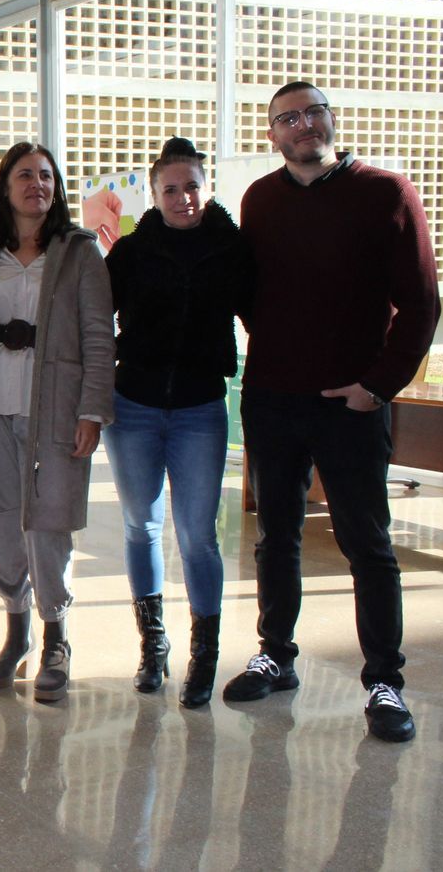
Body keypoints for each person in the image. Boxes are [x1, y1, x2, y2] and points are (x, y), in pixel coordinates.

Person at [223, 82, 440, 742]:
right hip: (273, 401)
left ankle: (383, 683)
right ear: (273, 136)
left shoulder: (386, 193)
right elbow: (251, 295)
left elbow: (421, 304)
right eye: (287, 118)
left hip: (351, 405)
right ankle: (275, 655)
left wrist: (377, 386)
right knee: (275, 538)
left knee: (367, 545)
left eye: (312, 112)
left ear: (331, 120)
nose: (302, 125)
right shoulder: (259, 200)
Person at [0, 141, 115, 703]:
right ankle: (15, 636)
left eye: (46, 175)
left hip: (56, 412)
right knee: (2, 529)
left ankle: (55, 638)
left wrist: (91, 410)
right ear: (4, 186)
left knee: (49, 527)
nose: (37, 183)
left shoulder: (79, 252)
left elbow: (97, 337)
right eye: (25, 175)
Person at [101, 137, 253, 708]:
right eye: (171, 189)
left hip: (199, 410)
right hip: (133, 407)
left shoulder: (231, 248)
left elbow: (265, 313)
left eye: (192, 186)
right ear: (155, 193)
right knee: (141, 527)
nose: (183, 198)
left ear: (206, 188)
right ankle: (154, 646)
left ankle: (204, 656)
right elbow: (93, 320)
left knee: (197, 536)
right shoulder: (133, 252)